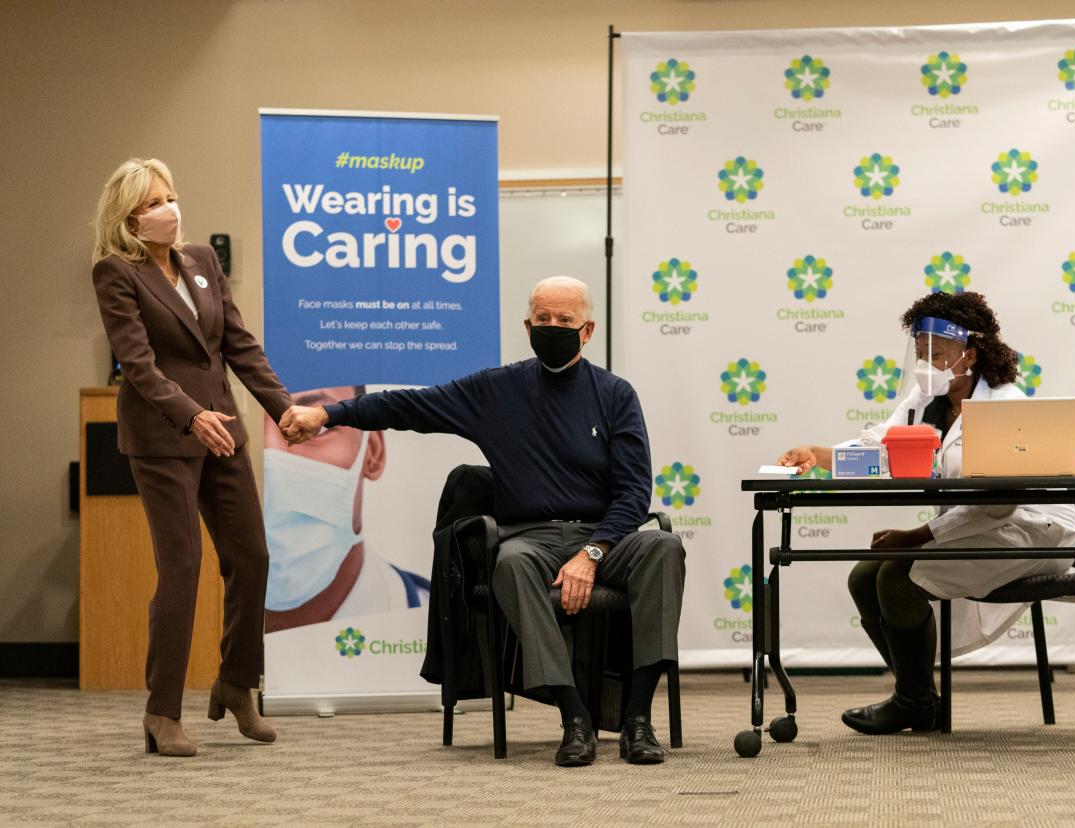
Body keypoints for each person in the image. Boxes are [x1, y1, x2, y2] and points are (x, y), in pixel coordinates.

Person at [280, 276, 686, 767]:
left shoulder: (616, 394)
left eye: (565, 321)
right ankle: (574, 716)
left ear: (588, 331)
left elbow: (634, 492)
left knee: (664, 548)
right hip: (530, 538)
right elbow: (407, 406)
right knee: (509, 563)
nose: (552, 328)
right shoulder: (497, 390)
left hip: (603, 537)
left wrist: (592, 553)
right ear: (527, 325)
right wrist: (328, 415)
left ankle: (638, 719)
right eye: (543, 320)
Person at [777, 291, 1075, 736]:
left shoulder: (1006, 404)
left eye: (937, 354)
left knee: (896, 578)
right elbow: (878, 451)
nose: (925, 365)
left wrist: (919, 536)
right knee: (864, 577)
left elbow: (997, 507)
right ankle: (917, 697)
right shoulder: (924, 400)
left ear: (970, 355)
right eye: (920, 354)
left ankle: (913, 702)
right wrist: (815, 455)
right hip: (980, 527)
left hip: (1034, 533)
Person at [91, 158, 293, 756]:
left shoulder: (202, 261)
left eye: (172, 197)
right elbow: (138, 364)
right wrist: (190, 414)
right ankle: (162, 711)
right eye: (156, 202)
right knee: (181, 568)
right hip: (163, 438)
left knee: (251, 556)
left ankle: (236, 684)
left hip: (222, 427)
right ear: (131, 216)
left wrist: (282, 408)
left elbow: (237, 344)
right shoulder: (115, 272)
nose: (169, 210)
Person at [261, 385, 431, 632]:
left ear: (372, 450)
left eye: (312, 428)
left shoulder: (446, 629)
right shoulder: (202, 629)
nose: (273, 463)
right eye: (248, 429)